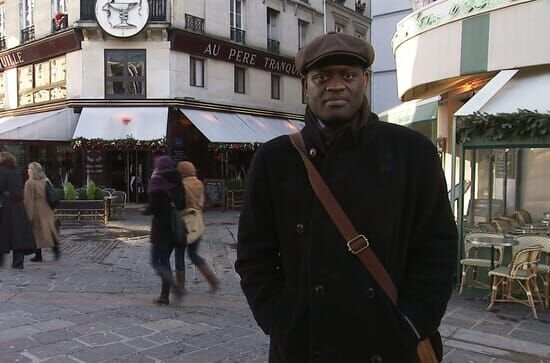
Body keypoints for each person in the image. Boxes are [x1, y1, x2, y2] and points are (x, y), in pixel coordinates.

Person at [235, 32, 457, 362]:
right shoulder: (275, 160)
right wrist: (281, 323)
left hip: (389, 345)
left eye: (348, 75)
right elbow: (254, 257)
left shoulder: (412, 153)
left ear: (365, 81)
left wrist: (411, 324)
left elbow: (437, 250)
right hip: (304, 347)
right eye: (322, 77)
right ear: (305, 86)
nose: (335, 85)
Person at [145, 155, 185, 305]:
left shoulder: (157, 180)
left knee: (157, 261)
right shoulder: (178, 179)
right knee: (164, 261)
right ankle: (164, 296)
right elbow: (182, 204)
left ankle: (174, 288)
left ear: (159, 166)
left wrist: (145, 210)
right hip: (176, 228)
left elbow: (153, 208)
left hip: (161, 229)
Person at [175, 161, 219, 292]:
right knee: (193, 254)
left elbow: (180, 205)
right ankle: (213, 280)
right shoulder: (199, 183)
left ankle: (180, 286)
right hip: (197, 223)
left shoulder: (181, 185)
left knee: (179, 254)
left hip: (184, 223)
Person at [0, 152, 36, 269]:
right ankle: (18, 262)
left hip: (5, 205)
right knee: (17, 234)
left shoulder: (2, 171)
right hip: (18, 206)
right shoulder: (16, 171)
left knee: (4, 232)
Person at [24, 162, 60, 262]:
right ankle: (55, 249)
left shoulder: (30, 183)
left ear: (32, 171)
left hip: (37, 210)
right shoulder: (46, 180)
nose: (28, 170)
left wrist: (28, 215)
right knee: (49, 230)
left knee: (37, 233)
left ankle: (38, 255)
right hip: (47, 209)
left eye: (29, 168)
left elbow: (28, 200)